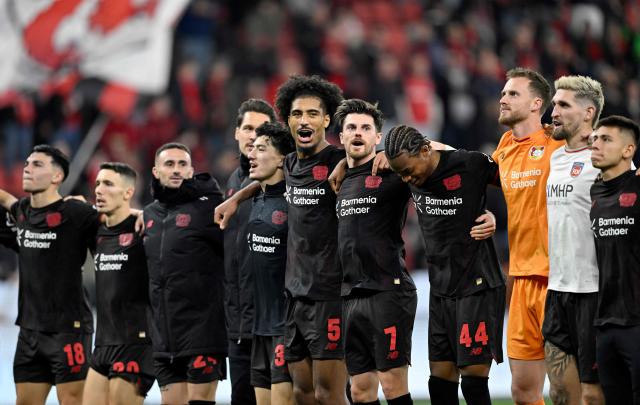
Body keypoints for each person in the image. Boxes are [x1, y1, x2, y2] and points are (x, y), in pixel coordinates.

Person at [215, 75, 349, 405]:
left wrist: (356, 159)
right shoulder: (289, 163)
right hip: (294, 298)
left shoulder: (338, 161)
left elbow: (377, 163)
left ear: (327, 119)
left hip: (330, 294)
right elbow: (266, 177)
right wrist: (236, 199)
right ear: (288, 120)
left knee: (329, 393)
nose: (304, 121)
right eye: (297, 114)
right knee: (302, 393)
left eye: (312, 114)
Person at [386, 125, 506, 405]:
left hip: (477, 283)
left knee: (474, 383)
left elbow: (517, 188)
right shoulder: (403, 163)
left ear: (426, 151)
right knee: (439, 383)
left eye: (408, 170)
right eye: (400, 173)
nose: (405, 178)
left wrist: (494, 218)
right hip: (440, 286)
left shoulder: (470, 164)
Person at [0, 145, 98, 405]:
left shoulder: (76, 213)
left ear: (57, 177)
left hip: (69, 330)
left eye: (37, 165)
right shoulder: (22, 212)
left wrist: (137, 215)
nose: (27, 168)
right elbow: (6, 200)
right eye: (27, 164)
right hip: (30, 331)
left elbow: (112, 224)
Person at [334, 99, 417, 405]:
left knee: (392, 383)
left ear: (377, 137)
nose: (358, 133)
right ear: (341, 137)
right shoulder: (337, 180)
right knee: (359, 390)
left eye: (366, 128)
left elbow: (437, 162)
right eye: (351, 128)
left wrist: (394, 156)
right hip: (350, 294)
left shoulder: (393, 172)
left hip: (388, 290)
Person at [493, 67, 564, 405]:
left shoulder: (559, 142)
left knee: (569, 389)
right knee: (522, 391)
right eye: (504, 93)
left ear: (537, 103)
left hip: (560, 280)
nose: (503, 98)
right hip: (520, 281)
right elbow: (471, 173)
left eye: (513, 94)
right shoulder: (505, 147)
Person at [143, 142, 227, 405]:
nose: (176, 170)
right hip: (164, 337)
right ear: (156, 171)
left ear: (192, 170)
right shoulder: (149, 215)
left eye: (183, 164)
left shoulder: (210, 208)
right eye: (169, 164)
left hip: (203, 333)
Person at [543, 75, 605, 405]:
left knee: (593, 394)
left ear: (587, 113)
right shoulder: (556, 158)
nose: (554, 110)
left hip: (594, 291)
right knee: (561, 393)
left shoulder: (605, 157)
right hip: (558, 290)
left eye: (563, 104)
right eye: (554, 103)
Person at [82, 162, 154, 405]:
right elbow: (73, 207)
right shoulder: (96, 231)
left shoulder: (145, 231)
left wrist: (143, 214)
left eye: (108, 184)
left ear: (128, 192)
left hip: (136, 343)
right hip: (102, 344)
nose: (100, 189)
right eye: (98, 184)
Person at [224, 99, 276, 405]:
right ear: (236, 133)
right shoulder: (232, 181)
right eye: (247, 128)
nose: (252, 135)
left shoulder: (289, 177)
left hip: (276, 322)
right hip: (240, 322)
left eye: (260, 130)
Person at [589, 115, 640, 405]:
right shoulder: (596, 191)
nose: (595, 144)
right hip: (606, 322)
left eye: (606, 139)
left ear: (628, 150)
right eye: (595, 138)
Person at [245, 121, 296, 405]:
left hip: (285, 326)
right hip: (260, 327)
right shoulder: (257, 200)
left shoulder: (296, 202)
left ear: (281, 159)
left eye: (261, 148)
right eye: (251, 147)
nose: (251, 153)